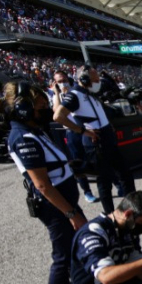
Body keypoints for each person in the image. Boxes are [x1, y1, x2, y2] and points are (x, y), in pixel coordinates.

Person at [0, 81, 87, 284]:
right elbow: (42, 185)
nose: (46, 110)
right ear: (24, 108)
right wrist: (71, 213)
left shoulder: (33, 129)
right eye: (42, 106)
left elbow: (51, 165)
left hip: (64, 202)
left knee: (77, 248)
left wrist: (70, 168)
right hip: (56, 207)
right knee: (63, 257)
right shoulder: (22, 137)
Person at [54, 64, 136, 214]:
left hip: (108, 137)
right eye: (95, 78)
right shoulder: (75, 95)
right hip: (95, 142)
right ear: (84, 79)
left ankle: (131, 209)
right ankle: (110, 215)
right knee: (104, 181)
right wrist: (83, 131)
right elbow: (58, 116)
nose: (98, 81)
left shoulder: (90, 93)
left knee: (125, 174)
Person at [49, 70, 97, 203]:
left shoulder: (77, 90)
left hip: (87, 128)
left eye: (64, 79)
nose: (63, 82)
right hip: (72, 132)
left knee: (96, 156)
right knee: (78, 162)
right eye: (59, 81)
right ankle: (87, 191)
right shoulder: (56, 96)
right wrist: (58, 93)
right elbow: (57, 113)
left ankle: (113, 182)